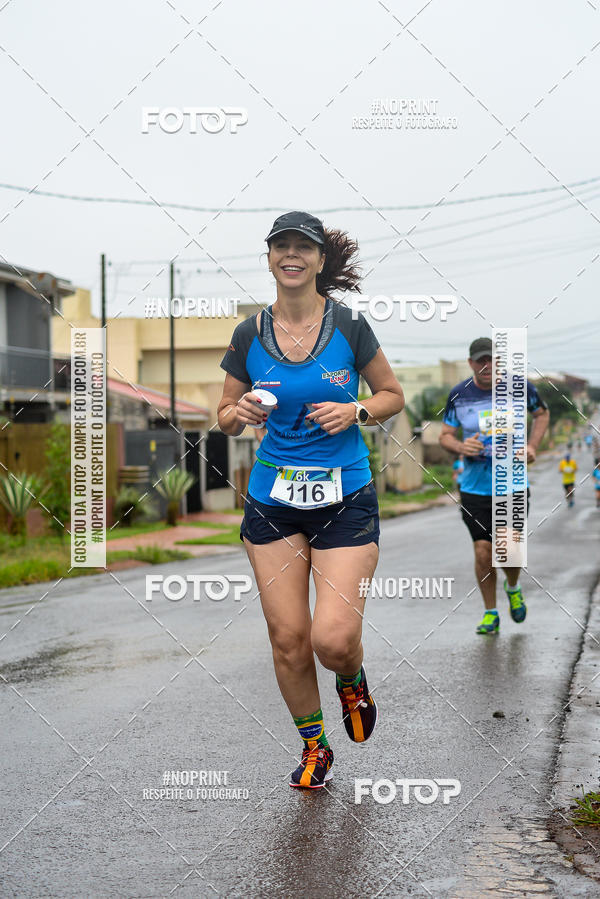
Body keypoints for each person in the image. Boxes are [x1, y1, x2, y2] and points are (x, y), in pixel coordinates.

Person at [217, 211, 405, 789]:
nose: (292, 255)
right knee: (289, 638)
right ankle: (315, 746)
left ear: (321, 261)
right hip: (273, 499)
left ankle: (351, 677)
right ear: (270, 258)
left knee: (332, 639)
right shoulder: (249, 334)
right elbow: (222, 416)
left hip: (344, 495)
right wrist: (239, 413)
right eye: (282, 247)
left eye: (304, 247)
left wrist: (357, 410)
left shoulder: (349, 327)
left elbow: (392, 394)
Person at [439, 337, 549, 635]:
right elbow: (445, 435)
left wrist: (532, 446)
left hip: (512, 482)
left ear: (498, 361)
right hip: (474, 487)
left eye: (490, 359)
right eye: (479, 360)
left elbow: (541, 414)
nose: (485, 365)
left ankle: (512, 587)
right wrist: (462, 447)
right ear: (471, 362)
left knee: (508, 548)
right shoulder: (459, 394)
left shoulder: (520, 388)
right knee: (483, 551)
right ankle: (490, 612)